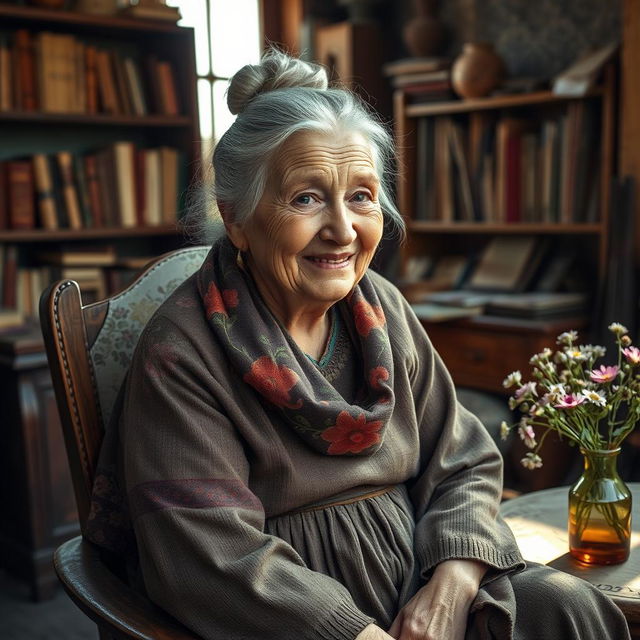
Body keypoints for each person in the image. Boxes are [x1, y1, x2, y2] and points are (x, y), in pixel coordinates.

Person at [87, 49, 631, 640]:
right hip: (286, 619)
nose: (343, 230)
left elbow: (464, 464)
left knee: (568, 608)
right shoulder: (184, 351)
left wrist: (448, 590)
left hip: (425, 580)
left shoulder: (382, 308)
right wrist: (357, 634)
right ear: (236, 217)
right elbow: (207, 555)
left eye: (362, 196)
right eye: (306, 198)